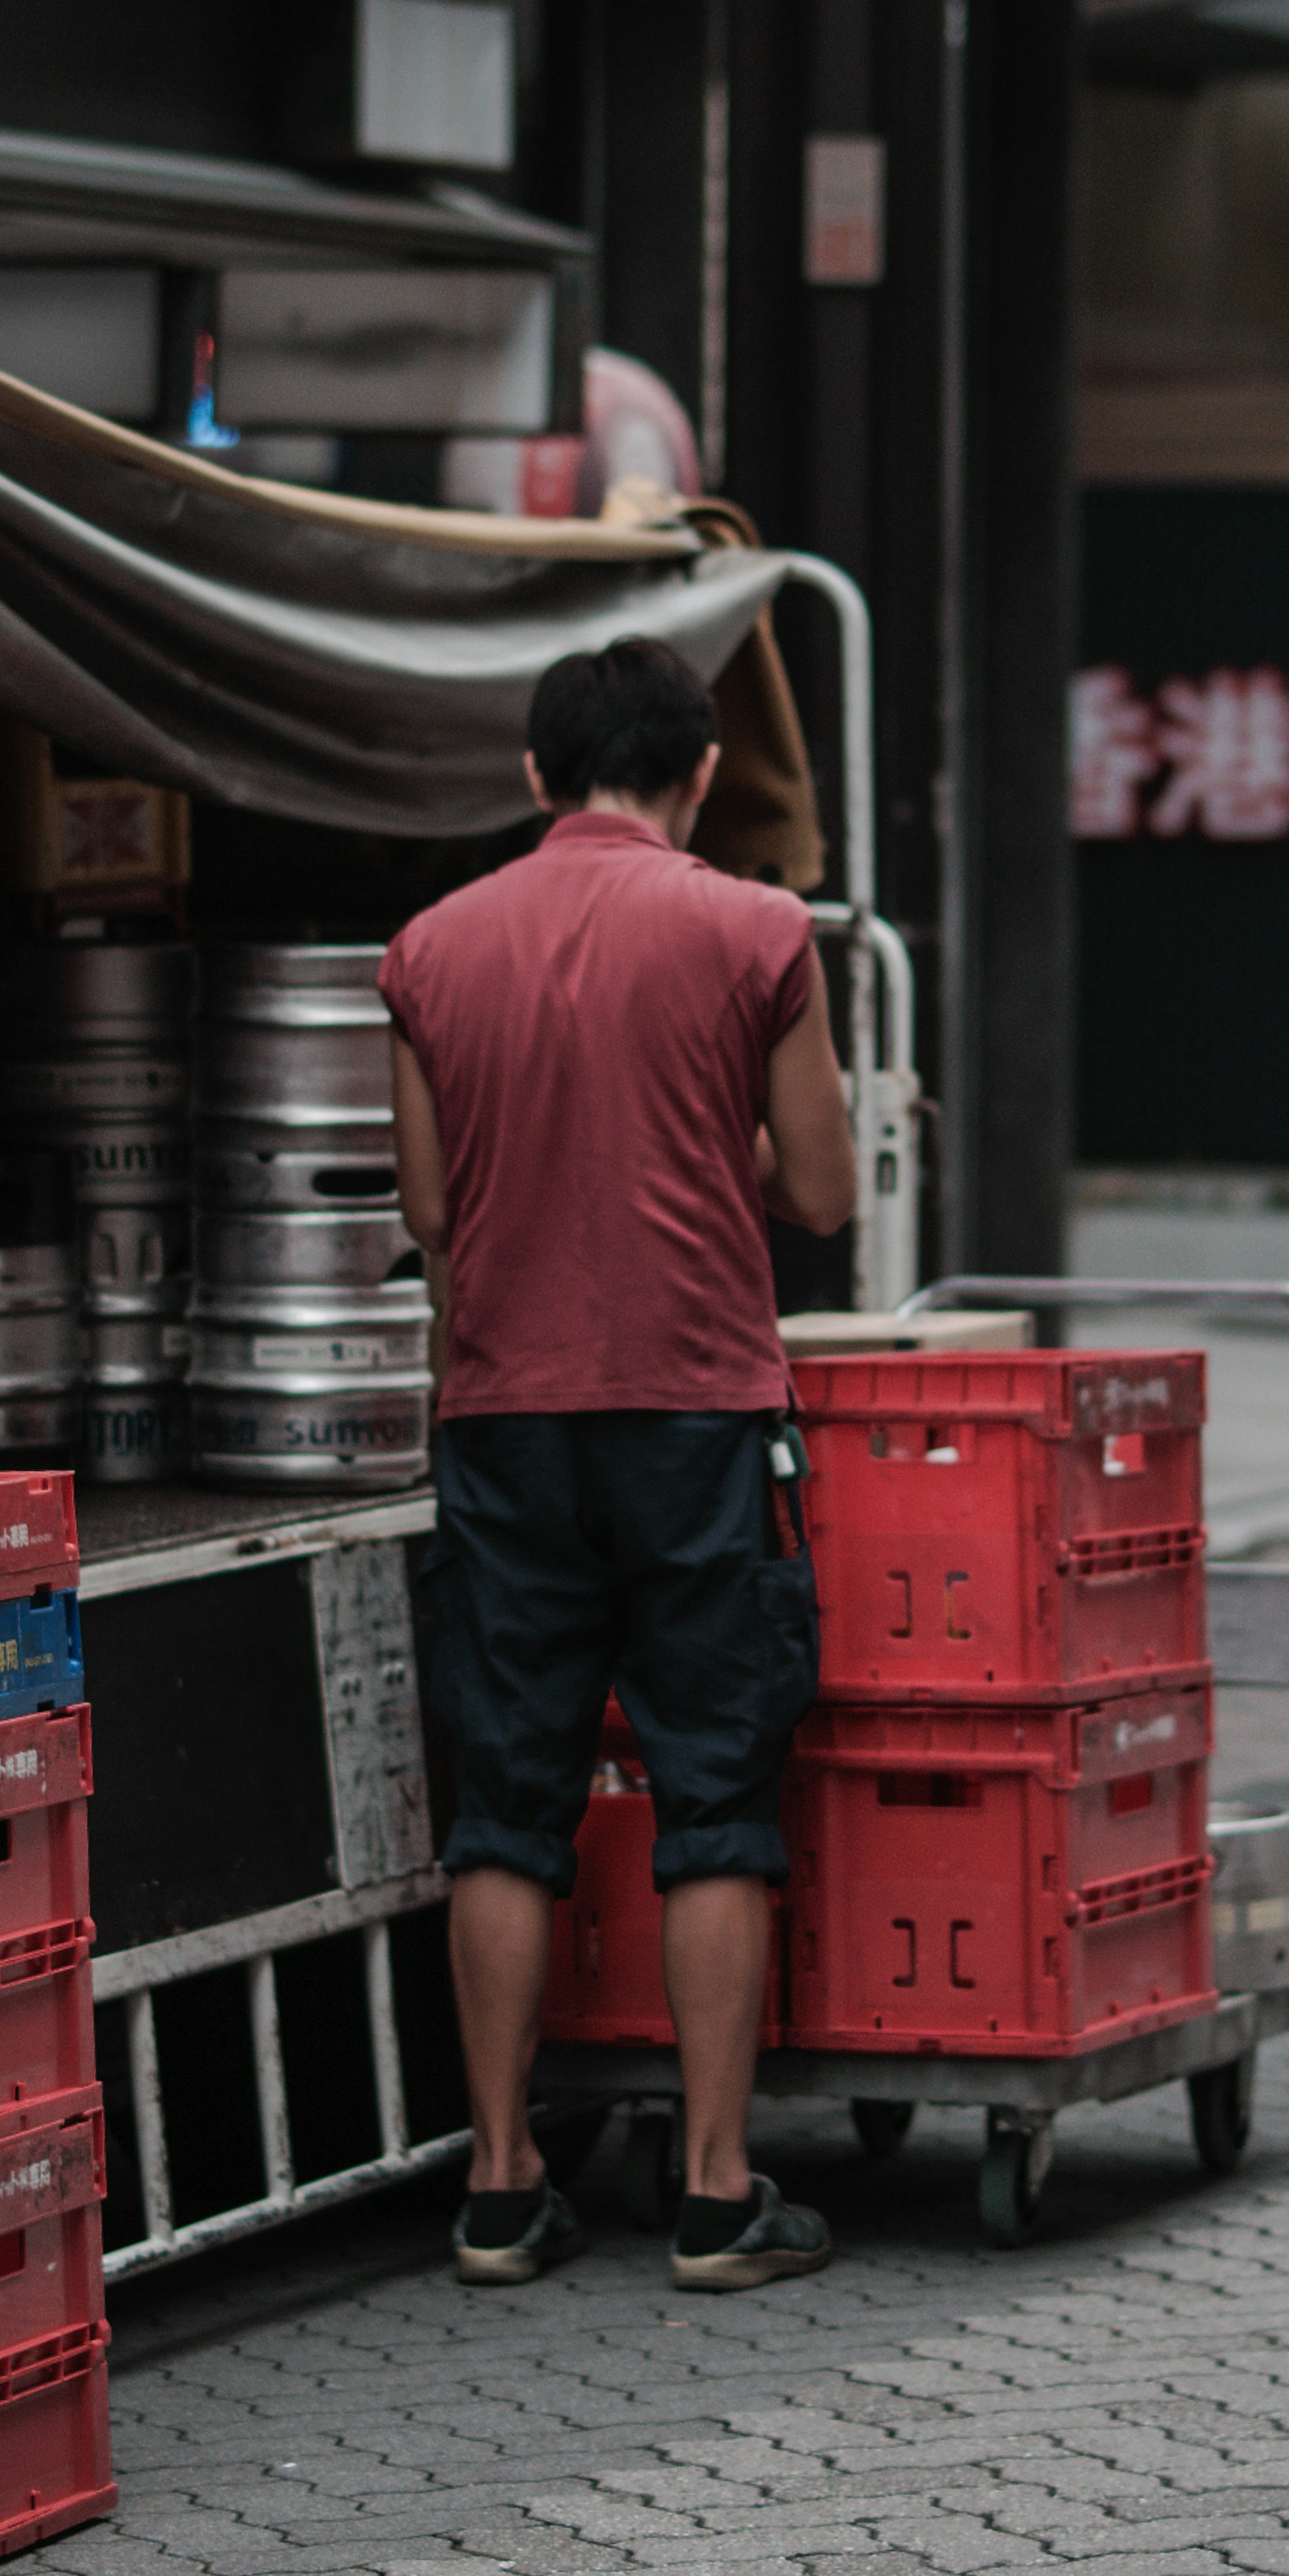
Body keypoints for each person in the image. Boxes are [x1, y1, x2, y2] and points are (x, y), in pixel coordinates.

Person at [380, 635, 857, 2292]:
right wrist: (701, 1135)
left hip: (504, 1422)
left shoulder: (431, 950)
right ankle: (720, 2194)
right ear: (702, 776)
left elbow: (432, 1213)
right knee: (712, 1792)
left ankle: (502, 2185)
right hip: (693, 1417)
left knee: (507, 1806)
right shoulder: (754, 928)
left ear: (533, 775)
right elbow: (824, 1188)